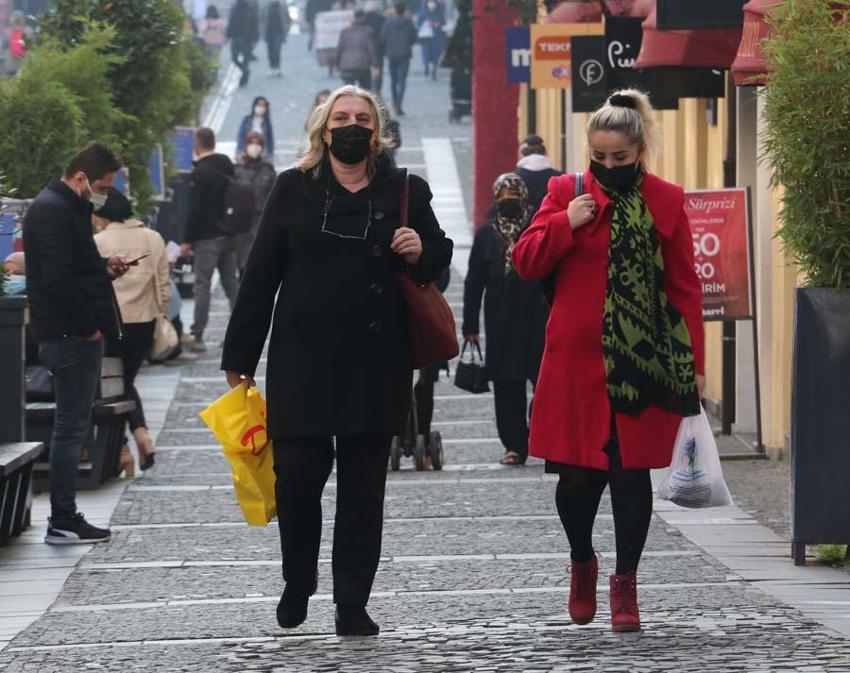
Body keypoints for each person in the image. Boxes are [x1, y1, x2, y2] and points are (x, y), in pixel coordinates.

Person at [221, 85, 452, 636]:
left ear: (378, 131)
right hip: (303, 358)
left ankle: (352, 600)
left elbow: (438, 260)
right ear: (324, 129)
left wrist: (420, 249)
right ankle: (298, 579)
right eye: (341, 117)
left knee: (364, 487)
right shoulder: (293, 188)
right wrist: (240, 357)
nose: (352, 126)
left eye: (363, 118)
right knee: (297, 477)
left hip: (377, 359)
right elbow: (260, 275)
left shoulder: (403, 189)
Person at [512, 90, 706, 633]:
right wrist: (564, 223)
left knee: (630, 476)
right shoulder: (562, 193)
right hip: (574, 363)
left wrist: (693, 362)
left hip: (642, 361)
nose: (608, 167)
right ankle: (582, 562)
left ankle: (626, 584)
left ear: (639, 149)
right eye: (599, 157)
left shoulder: (667, 200)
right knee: (575, 481)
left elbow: (684, 287)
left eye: (619, 158)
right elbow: (526, 262)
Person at [23, 142, 130, 545]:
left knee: (74, 426)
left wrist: (103, 269)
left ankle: (66, 517)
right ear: (81, 177)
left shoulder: (65, 208)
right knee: (70, 429)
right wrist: (88, 328)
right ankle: (62, 520)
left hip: (71, 333)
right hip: (69, 337)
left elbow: (71, 268)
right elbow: (57, 280)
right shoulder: (53, 210)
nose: (102, 194)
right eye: (101, 185)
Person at [462, 174, 547, 466]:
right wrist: (470, 326)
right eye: (503, 196)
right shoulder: (487, 234)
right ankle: (514, 445)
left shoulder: (540, 227)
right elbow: (474, 281)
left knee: (545, 384)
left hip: (539, 319)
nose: (508, 201)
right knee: (506, 387)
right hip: (501, 321)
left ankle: (541, 436)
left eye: (513, 195)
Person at [93, 189, 170, 477]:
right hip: (144, 321)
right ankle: (139, 437)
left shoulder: (97, 242)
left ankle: (128, 445)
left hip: (110, 323)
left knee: (112, 384)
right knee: (125, 380)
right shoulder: (152, 238)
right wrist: (162, 315)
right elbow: (164, 285)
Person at [181, 127, 239, 354]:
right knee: (231, 284)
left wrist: (187, 240)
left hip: (207, 237)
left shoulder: (201, 172)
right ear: (213, 143)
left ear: (197, 144)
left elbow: (194, 210)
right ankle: (239, 331)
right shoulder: (227, 166)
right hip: (230, 234)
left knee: (202, 285)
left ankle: (197, 335)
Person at [234, 131, 277, 277]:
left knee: (258, 265)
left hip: (261, 222)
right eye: (251, 143)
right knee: (241, 266)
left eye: (258, 144)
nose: (254, 147)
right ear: (246, 146)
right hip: (240, 224)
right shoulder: (236, 170)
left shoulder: (268, 171)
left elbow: (277, 198)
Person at [380, 1, 417, 116]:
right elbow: (414, 38)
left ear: (395, 10)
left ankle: (395, 101)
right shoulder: (409, 22)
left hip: (391, 54)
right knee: (402, 80)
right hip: (404, 54)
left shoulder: (387, 23)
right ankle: (398, 104)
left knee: (393, 80)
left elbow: (382, 38)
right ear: (404, 10)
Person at [515, 135, 563, 214]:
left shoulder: (513, 179)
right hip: (552, 224)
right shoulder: (560, 178)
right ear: (544, 152)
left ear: (521, 153)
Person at [336, 9, 379, 90]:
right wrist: (375, 64)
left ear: (354, 17)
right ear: (364, 18)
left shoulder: (345, 32)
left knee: (348, 91)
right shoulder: (368, 32)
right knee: (365, 92)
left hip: (347, 66)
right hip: (363, 66)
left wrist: (337, 62)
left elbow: (339, 48)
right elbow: (371, 49)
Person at [228, 0, 259, 87]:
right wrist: (228, 34)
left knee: (245, 59)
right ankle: (245, 71)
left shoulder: (250, 10)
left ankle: (243, 79)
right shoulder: (235, 8)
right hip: (237, 37)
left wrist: (254, 39)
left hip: (246, 38)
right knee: (235, 58)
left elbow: (255, 25)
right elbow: (231, 22)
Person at [416, 0, 446, 80]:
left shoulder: (439, 12)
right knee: (426, 53)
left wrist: (437, 24)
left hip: (437, 37)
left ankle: (434, 70)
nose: (431, 4)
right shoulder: (423, 12)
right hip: (426, 37)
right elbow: (418, 23)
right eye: (429, 2)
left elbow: (443, 22)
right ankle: (426, 66)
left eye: (433, 2)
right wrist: (426, 23)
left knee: (436, 54)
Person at [363, 1, 386, 93]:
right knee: (379, 68)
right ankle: (377, 89)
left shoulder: (363, 20)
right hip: (378, 48)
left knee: (366, 69)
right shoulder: (382, 19)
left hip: (365, 48)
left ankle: (367, 89)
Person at [265, 0, 292, 76]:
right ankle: (272, 67)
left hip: (278, 32)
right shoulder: (267, 7)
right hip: (269, 32)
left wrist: (286, 30)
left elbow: (288, 19)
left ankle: (277, 67)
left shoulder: (282, 7)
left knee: (277, 50)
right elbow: (262, 18)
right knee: (270, 51)